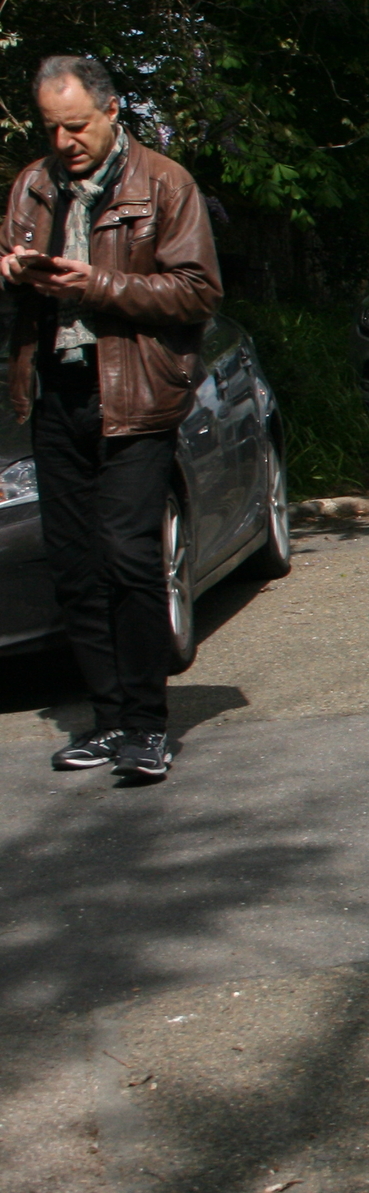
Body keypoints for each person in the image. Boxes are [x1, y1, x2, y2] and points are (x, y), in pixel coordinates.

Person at [2, 56, 221, 782]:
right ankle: (106, 720)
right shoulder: (32, 186)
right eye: (50, 128)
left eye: (76, 126)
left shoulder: (165, 182)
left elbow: (196, 292)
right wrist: (13, 273)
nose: (63, 142)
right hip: (55, 392)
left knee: (130, 556)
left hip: (136, 396)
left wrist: (97, 284)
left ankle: (147, 723)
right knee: (74, 564)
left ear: (111, 111)